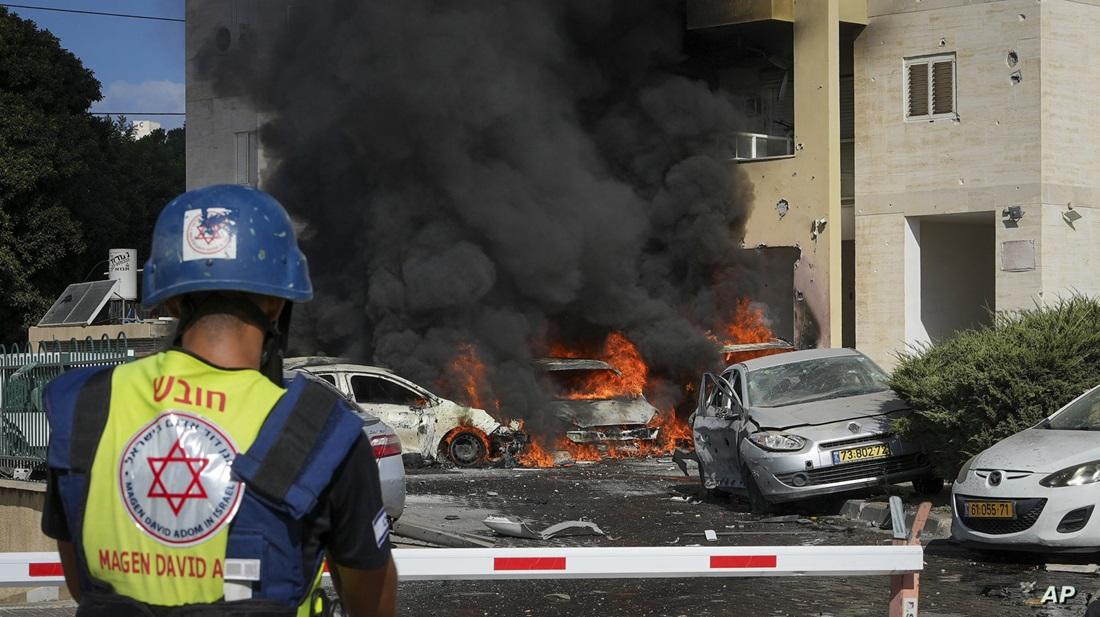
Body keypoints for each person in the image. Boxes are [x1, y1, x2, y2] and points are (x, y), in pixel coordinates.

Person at [41, 185, 397, 617]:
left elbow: (82, 584)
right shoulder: (319, 431)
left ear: (170, 299)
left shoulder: (85, 407)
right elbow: (371, 603)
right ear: (276, 301)